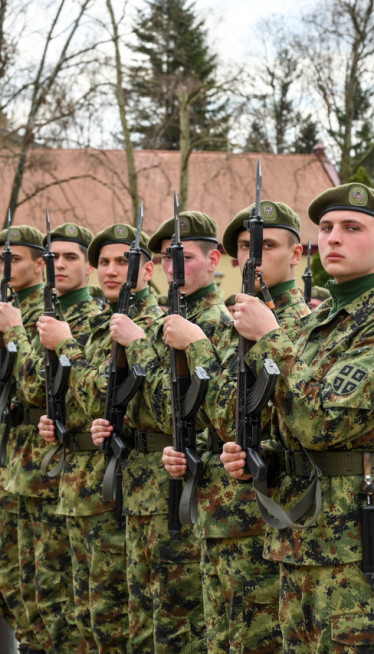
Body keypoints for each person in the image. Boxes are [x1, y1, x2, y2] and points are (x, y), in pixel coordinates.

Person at [222, 182, 374, 652]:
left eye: (352, 228)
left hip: (352, 552)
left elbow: (323, 423)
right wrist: (256, 455)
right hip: (298, 541)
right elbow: (284, 423)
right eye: (326, 228)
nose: (332, 238)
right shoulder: (314, 324)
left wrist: (269, 338)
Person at [162, 201, 309, 652]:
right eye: (246, 247)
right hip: (219, 515)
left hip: (265, 522)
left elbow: (270, 414)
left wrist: (200, 350)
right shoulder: (232, 327)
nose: (254, 257)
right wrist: (197, 454)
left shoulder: (303, 328)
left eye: (266, 245)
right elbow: (216, 418)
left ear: (297, 254)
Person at [90, 210, 233, 653]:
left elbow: (179, 405)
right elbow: (139, 403)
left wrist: (137, 347)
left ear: (214, 261)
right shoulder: (164, 321)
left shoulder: (220, 324)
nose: (174, 268)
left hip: (191, 491)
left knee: (179, 624)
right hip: (145, 487)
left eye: (185, 257)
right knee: (144, 619)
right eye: (169, 260)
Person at [37, 223, 160, 654]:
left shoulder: (153, 326)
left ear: (148, 269)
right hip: (87, 483)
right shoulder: (102, 325)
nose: (112, 270)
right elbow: (77, 398)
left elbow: (107, 392)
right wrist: (61, 422)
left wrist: (67, 347)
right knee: (88, 614)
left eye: (123, 262)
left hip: (128, 491)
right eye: (104, 262)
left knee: (120, 619)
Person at [0, 223, 102, 653]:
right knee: (20, 590)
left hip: (55, 470)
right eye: (53, 256)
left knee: (58, 597)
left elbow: (39, 389)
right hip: (18, 465)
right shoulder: (24, 311)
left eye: (70, 257)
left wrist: (14, 333)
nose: (58, 265)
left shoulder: (84, 320)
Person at [0, 225, 48, 653]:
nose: (5, 267)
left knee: (31, 585)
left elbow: (35, 388)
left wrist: (14, 330)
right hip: (9, 460)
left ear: (39, 263)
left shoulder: (49, 314)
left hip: (36, 466)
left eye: (13, 259)